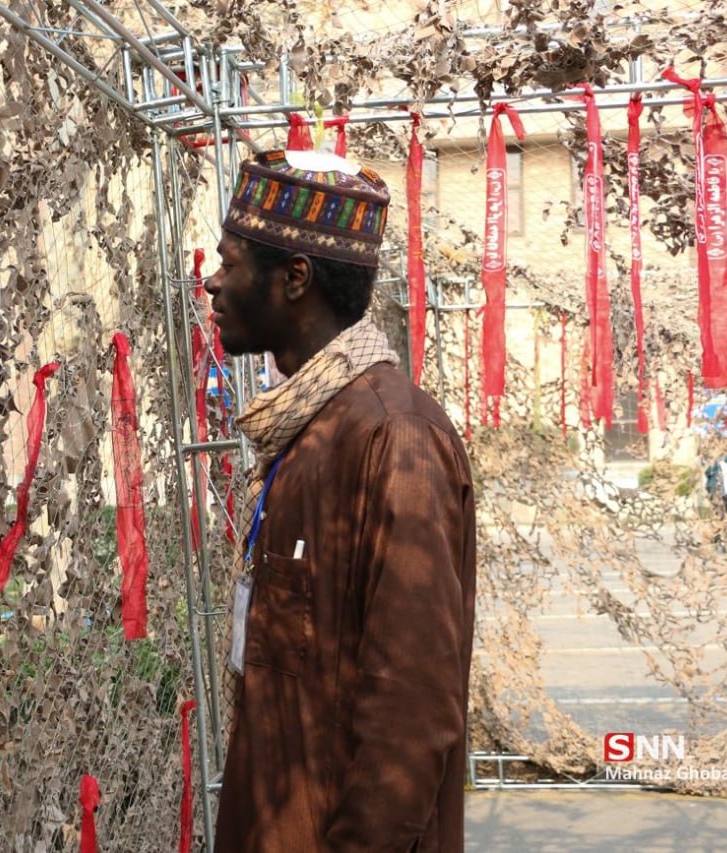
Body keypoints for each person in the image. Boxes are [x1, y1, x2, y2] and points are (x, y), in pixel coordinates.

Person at [206, 149, 476, 853]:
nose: (211, 281)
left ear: (294, 279)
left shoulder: (394, 438)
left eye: (230, 262)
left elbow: (410, 714)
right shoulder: (309, 428)